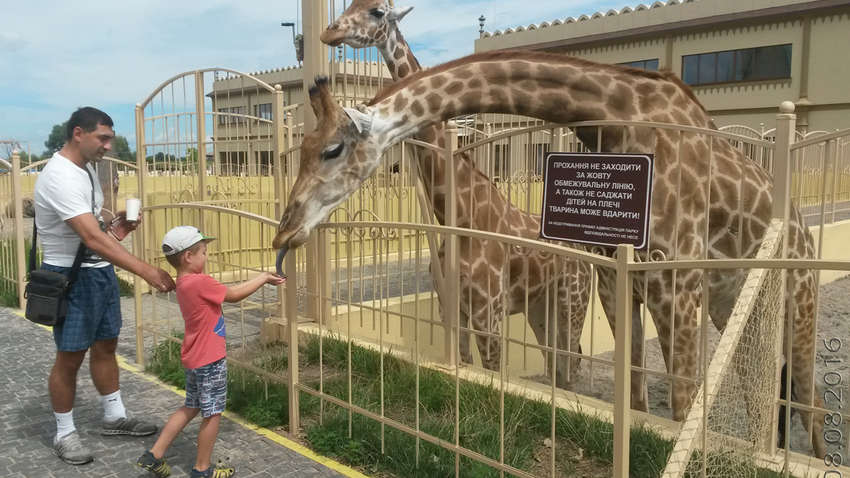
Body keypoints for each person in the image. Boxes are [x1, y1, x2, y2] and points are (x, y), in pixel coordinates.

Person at [33, 107, 177, 465]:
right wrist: (145, 270)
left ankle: (114, 416)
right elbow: (91, 239)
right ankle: (64, 433)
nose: (109, 146)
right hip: (70, 278)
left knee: (107, 345)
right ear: (78, 133)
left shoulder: (88, 171)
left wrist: (121, 230)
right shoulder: (59, 176)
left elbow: (100, 235)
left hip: (99, 273)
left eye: (110, 138)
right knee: (69, 357)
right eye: (103, 138)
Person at [136, 225, 285, 478]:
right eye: (203, 252)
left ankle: (154, 454)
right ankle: (202, 469)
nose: (206, 257)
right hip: (210, 359)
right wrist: (263, 278)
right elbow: (235, 294)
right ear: (188, 257)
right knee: (213, 412)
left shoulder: (183, 283)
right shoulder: (199, 282)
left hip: (194, 357)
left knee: (190, 406)